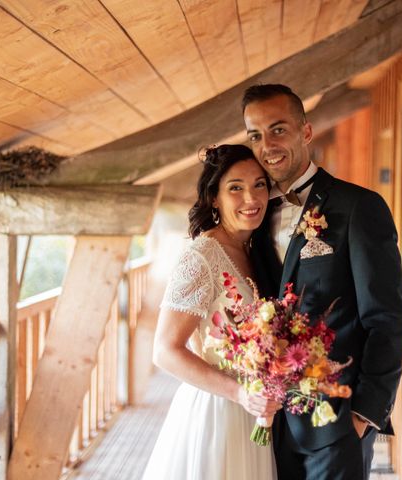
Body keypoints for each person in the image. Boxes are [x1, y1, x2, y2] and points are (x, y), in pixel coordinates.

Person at [243, 84, 402, 480]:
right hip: (267, 425)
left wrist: (363, 415)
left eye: (278, 129)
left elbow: (387, 320)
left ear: (306, 131)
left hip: (335, 422)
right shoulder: (253, 215)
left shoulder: (358, 207)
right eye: (255, 135)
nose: (267, 145)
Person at [141, 144, 280, 480]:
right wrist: (239, 394)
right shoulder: (201, 257)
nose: (251, 198)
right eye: (236, 187)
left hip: (257, 411)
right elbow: (164, 351)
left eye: (259, 184)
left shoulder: (256, 251)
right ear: (214, 198)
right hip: (219, 412)